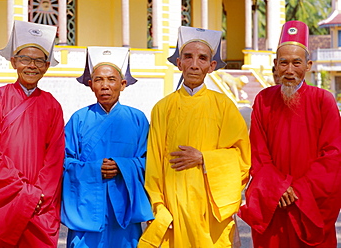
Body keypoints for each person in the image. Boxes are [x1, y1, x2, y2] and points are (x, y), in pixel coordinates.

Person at [138, 26, 251, 247]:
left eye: (202, 58)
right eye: (188, 57)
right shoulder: (163, 108)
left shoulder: (224, 106)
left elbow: (242, 158)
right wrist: (158, 205)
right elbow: (153, 163)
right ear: (179, 63)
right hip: (174, 205)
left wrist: (205, 159)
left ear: (212, 66)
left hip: (212, 208)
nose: (194, 64)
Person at [239, 20, 341, 248]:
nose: (289, 70)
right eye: (283, 63)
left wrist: (298, 189)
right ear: (275, 65)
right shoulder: (264, 100)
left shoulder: (323, 101)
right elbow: (258, 153)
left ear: (309, 65)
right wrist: (278, 188)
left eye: (297, 62)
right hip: (274, 203)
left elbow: (333, 155)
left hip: (310, 203)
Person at [0, 20, 65, 247]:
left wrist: (38, 194)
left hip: (40, 205)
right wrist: (22, 191)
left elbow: (55, 158)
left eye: (39, 60)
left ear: (47, 65)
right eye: (25, 59)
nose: (31, 66)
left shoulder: (52, 106)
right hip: (4, 202)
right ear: (14, 62)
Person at [61, 46, 154, 248]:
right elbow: (62, 161)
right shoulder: (78, 119)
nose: (105, 86)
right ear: (90, 84)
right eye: (98, 80)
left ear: (122, 84)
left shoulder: (137, 119)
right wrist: (94, 169)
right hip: (86, 209)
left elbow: (151, 161)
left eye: (111, 80)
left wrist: (122, 166)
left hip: (125, 209)